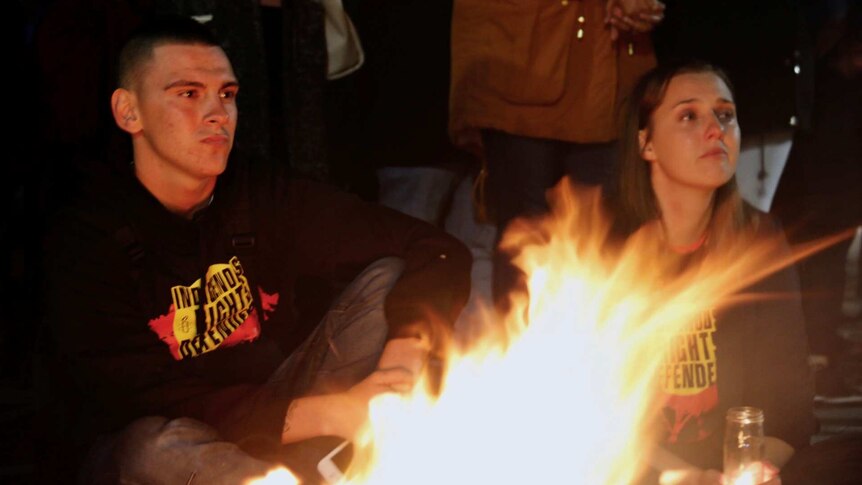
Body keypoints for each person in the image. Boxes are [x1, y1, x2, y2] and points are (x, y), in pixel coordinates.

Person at [41, 16, 471, 484]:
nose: (217, 114)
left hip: (278, 411)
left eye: (227, 94)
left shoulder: (257, 190)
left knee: (391, 278)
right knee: (153, 449)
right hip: (164, 442)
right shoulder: (85, 233)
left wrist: (397, 371)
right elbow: (146, 398)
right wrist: (336, 413)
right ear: (129, 112)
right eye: (188, 94)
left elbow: (435, 249)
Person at [606, 62, 815, 484]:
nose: (715, 130)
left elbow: (791, 405)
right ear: (646, 143)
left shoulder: (757, 240)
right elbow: (584, 407)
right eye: (688, 116)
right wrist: (677, 475)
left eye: (725, 115)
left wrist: (751, 469)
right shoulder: (599, 250)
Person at [449, 0, 665, 308]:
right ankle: (525, 348)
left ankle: (603, 348)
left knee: (608, 236)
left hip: (610, 75)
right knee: (524, 239)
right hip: (520, 66)